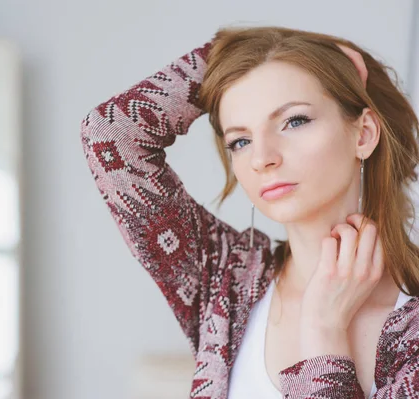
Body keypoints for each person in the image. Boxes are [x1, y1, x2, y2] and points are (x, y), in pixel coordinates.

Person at [80, 26, 419, 398]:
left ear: (364, 133)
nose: (262, 158)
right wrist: (238, 51)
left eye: (294, 121)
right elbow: (110, 134)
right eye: (240, 141)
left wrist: (324, 330)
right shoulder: (226, 279)